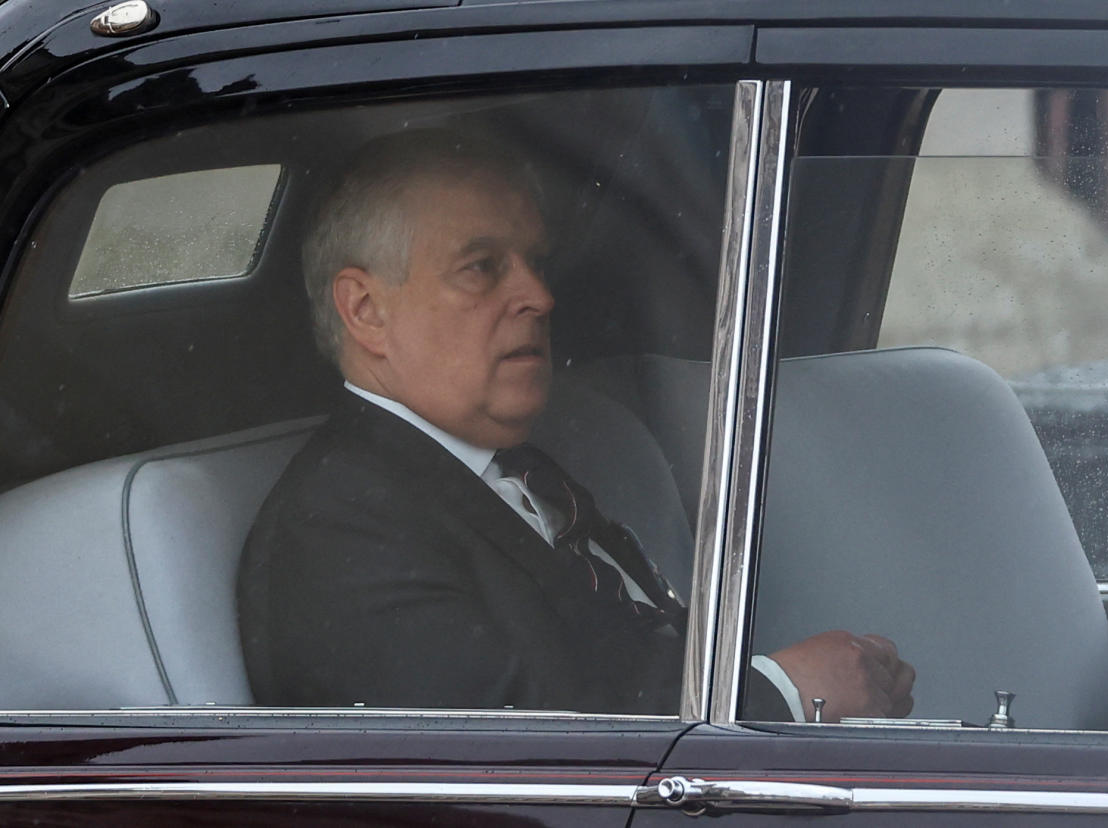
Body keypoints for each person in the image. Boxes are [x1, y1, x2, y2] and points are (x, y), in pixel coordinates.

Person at [238, 130, 915, 720]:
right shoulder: (337, 534)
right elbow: (506, 764)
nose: (538, 295)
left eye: (535, 262)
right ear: (365, 311)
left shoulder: (514, 468)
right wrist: (785, 694)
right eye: (482, 268)